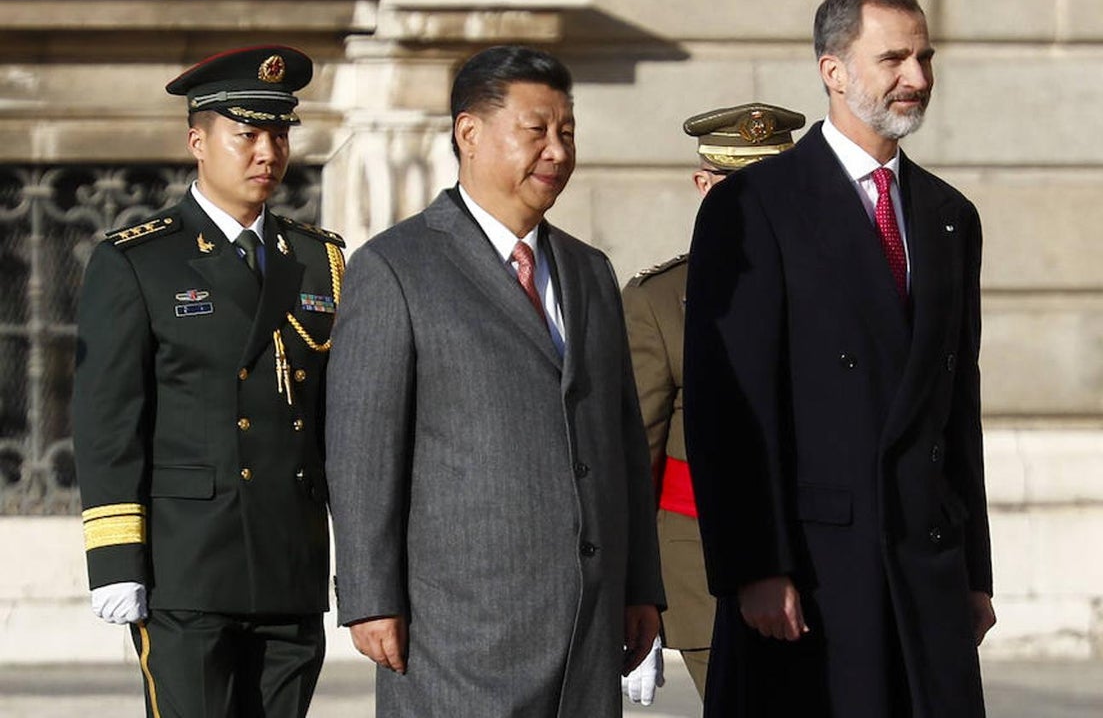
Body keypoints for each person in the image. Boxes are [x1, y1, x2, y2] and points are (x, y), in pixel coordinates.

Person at [683, 0, 996, 717]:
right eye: (893, 59)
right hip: (812, 576)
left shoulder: (951, 216)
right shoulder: (754, 205)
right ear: (833, 70)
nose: (916, 78)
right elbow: (730, 406)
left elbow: (959, 409)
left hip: (925, 567)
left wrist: (975, 572)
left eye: (924, 58)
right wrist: (755, 566)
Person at [324, 44, 665, 717]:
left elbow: (624, 441)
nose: (558, 151)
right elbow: (363, 449)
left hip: (587, 632)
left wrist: (641, 586)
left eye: (567, 132)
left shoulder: (589, 270)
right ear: (469, 134)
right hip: (458, 636)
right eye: (536, 130)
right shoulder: (396, 267)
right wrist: (370, 597)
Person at [72, 44, 344, 718]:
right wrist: (115, 559)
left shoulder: (319, 259)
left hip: (290, 565)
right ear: (198, 141)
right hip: (186, 569)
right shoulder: (140, 260)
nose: (267, 152)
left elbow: (343, 421)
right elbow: (108, 422)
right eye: (246, 134)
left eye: (278, 133)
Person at [620, 101, 805, 702]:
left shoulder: (837, 286)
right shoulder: (659, 300)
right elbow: (634, 460)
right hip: (706, 579)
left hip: (830, 565)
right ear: (705, 186)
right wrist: (633, 597)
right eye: (736, 186)